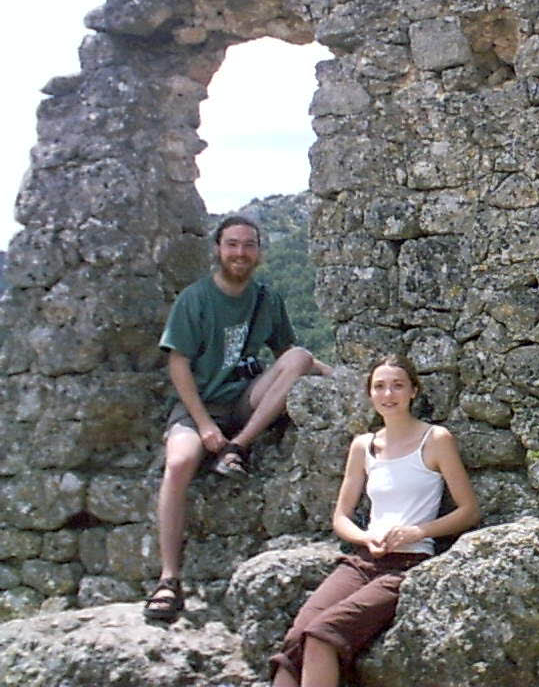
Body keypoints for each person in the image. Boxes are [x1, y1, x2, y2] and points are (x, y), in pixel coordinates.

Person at [144, 214, 331, 622]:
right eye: (232, 244)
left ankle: (238, 446)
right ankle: (169, 578)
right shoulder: (195, 300)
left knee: (300, 357)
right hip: (201, 406)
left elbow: (290, 357)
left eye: (248, 245)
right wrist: (204, 424)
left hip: (243, 402)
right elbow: (178, 366)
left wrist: (342, 378)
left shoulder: (267, 299)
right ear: (218, 249)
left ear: (259, 251)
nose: (240, 253)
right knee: (178, 464)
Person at [268, 353, 479, 687]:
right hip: (363, 560)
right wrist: (365, 538)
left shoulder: (436, 440)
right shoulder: (363, 446)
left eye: (397, 385)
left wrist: (416, 531)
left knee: (323, 634)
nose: (388, 394)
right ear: (370, 394)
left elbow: (468, 510)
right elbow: (340, 516)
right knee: (296, 637)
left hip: (407, 564)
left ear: (413, 391)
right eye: (379, 386)